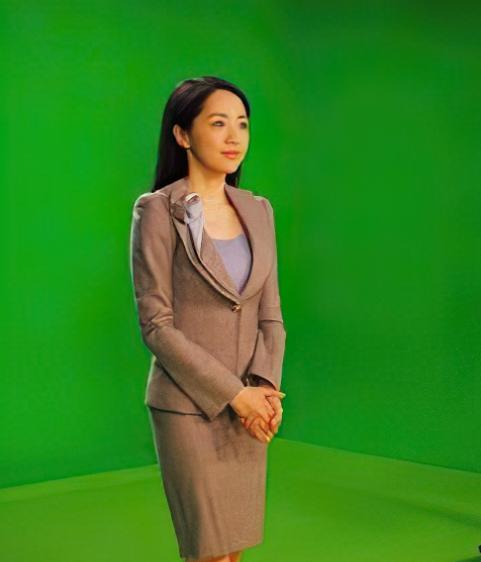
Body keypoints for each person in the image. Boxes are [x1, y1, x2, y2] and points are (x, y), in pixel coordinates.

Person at [129, 76, 287, 562]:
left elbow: (270, 315)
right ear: (182, 134)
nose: (234, 136)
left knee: (233, 551)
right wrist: (235, 395)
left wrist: (264, 389)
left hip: (250, 408)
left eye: (242, 124)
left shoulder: (259, 210)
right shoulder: (157, 211)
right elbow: (156, 324)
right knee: (208, 551)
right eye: (218, 124)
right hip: (188, 407)